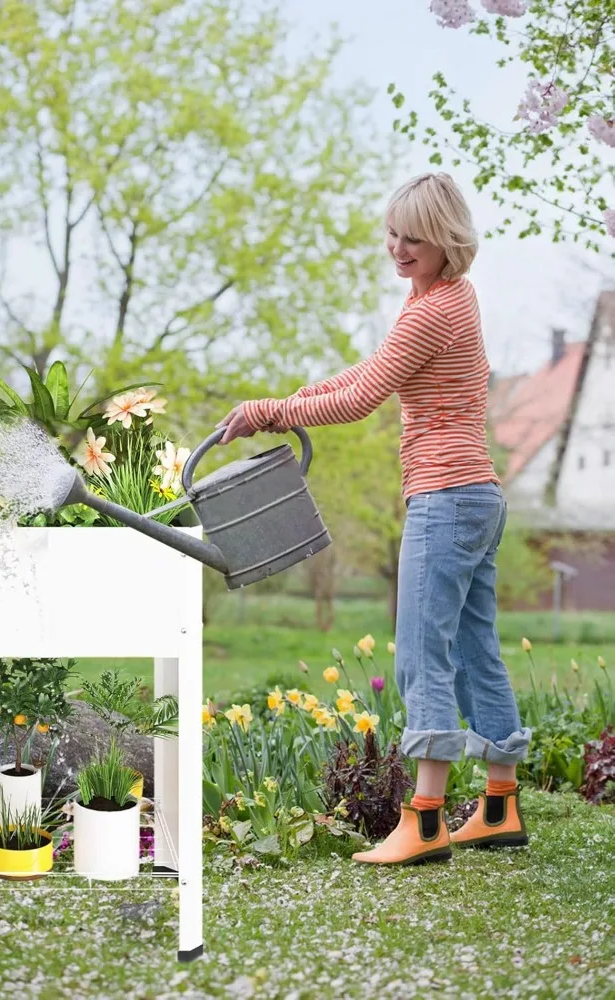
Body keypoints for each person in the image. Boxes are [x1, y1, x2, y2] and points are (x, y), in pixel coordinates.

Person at [217, 172, 532, 865]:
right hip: (478, 494)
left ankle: (425, 822)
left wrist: (270, 412)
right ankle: (499, 806)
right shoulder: (447, 297)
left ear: (447, 238)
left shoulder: (431, 311)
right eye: (392, 233)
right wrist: (294, 397)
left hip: (445, 498)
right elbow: (370, 371)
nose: (397, 247)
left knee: (422, 654)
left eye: (413, 237)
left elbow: (360, 400)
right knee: (475, 651)